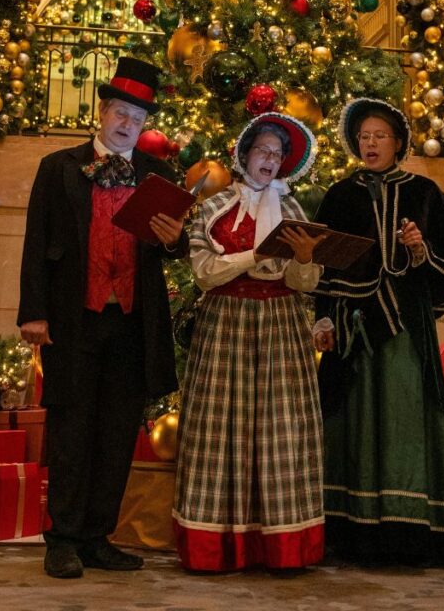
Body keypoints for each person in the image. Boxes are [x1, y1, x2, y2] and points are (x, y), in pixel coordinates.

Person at [18, 57, 187, 579]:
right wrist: (33, 313)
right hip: (73, 318)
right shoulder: (58, 167)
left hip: (133, 324)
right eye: (119, 113)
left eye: (136, 120)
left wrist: (173, 238)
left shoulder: (157, 176)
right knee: (72, 429)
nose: (126, 125)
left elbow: (174, 247)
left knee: (117, 433)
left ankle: (98, 537)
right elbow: (34, 242)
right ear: (102, 112)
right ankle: (63, 538)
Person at [313, 97, 444, 566]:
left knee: (402, 417)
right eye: (364, 137)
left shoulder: (425, 193)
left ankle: (408, 531)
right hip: (352, 330)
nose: (371, 143)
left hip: (405, 326)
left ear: (399, 142)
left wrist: (420, 251)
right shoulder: (339, 196)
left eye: (380, 136)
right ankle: (352, 530)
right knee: (355, 418)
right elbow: (320, 264)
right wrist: (324, 317)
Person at [172, 112, 324, 572]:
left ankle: (283, 547)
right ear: (244, 154)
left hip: (282, 327)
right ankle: (215, 546)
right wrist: (253, 255)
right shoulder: (212, 208)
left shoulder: (295, 211)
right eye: (262, 151)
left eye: (278, 155)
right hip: (226, 325)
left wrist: (302, 259)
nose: (270, 161)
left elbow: (304, 282)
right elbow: (204, 273)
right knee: (221, 432)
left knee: (283, 430)